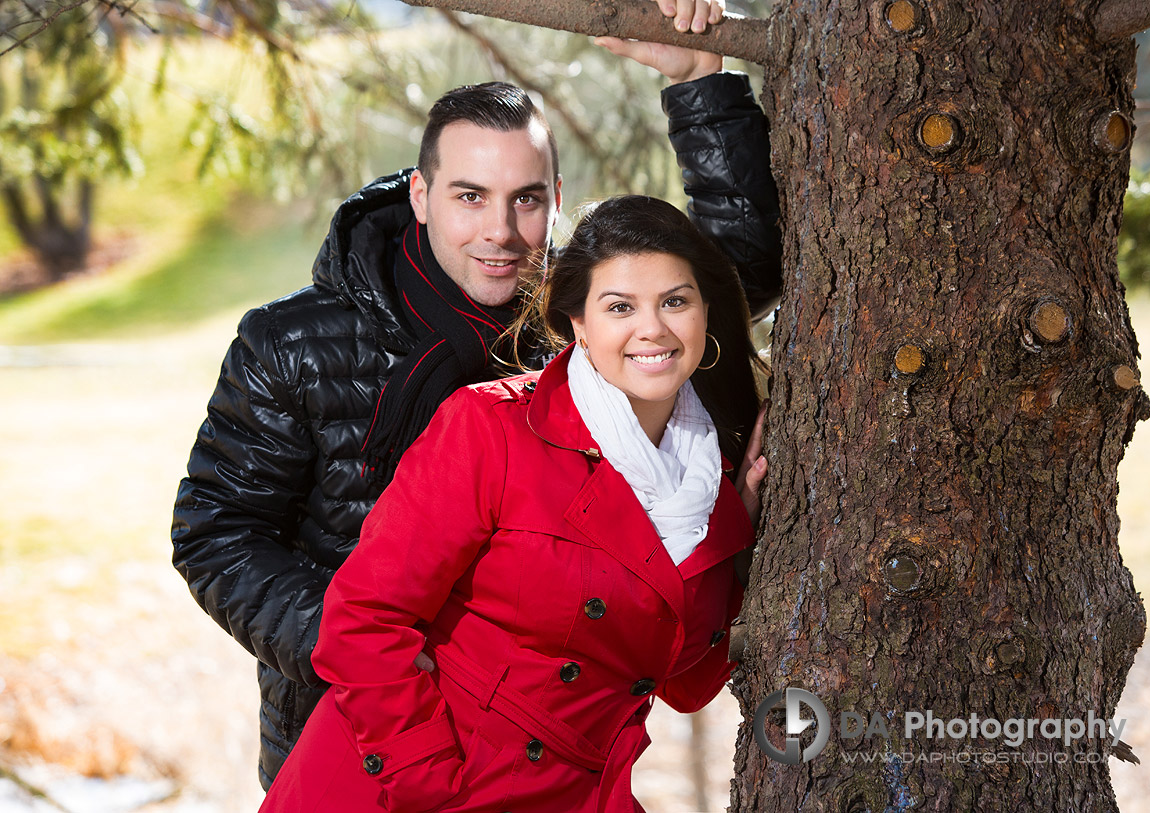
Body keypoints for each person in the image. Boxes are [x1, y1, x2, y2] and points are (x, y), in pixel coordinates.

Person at [171, 1, 782, 791]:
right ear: (420, 194)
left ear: (557, 197)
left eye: (526, 199)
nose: (500, 230)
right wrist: (372, 645)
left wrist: (700, 81)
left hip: (547, 754)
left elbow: (724, 280)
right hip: (357, 724)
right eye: (469, 197)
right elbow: (217, 533)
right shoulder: (294, 342)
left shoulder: (586, 323)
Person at [260, 195, 768, 813]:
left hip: (569, 792)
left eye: (675, 301)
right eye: (619, 307)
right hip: (408, 781)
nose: (652, 329)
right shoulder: (492, 428)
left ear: (705, 312)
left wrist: (736, 539)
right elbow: (362, 619)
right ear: (578, 322)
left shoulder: (709, 483)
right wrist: (427, 782)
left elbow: (687, 685)